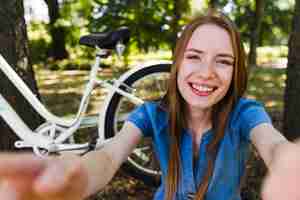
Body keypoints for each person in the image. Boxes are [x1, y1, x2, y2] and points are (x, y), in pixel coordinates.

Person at [0, 9, 299, 200]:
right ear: (177, 64)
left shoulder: (245, 114)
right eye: (194, 56)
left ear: (236, 73)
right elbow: (108, 156)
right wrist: (74, 177)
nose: (206, 72)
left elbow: (272, 144)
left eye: (223, 62)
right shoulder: (151, 115)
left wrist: (288, 162)